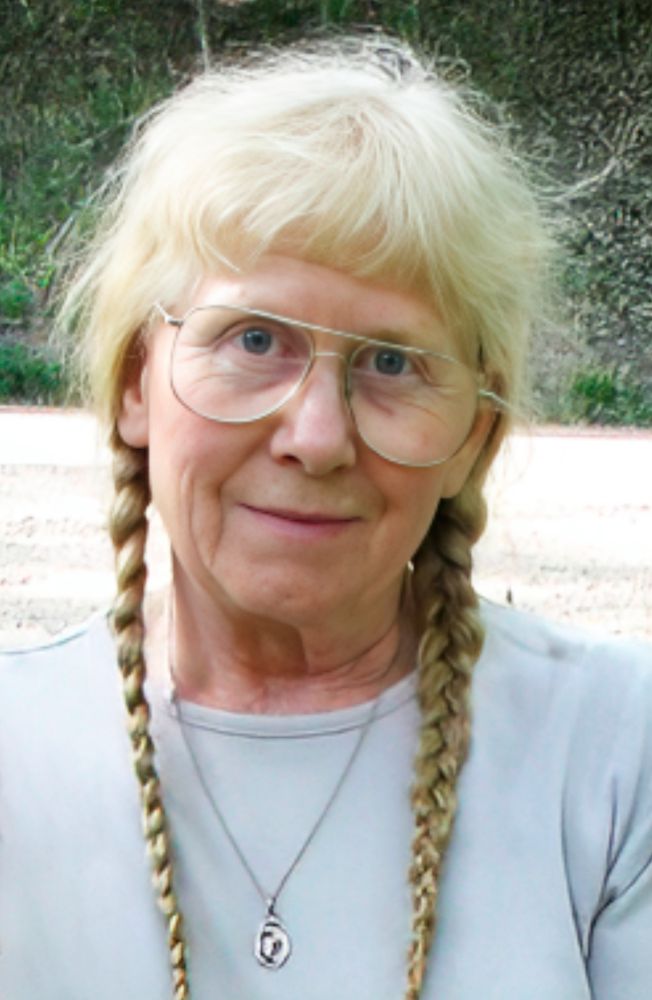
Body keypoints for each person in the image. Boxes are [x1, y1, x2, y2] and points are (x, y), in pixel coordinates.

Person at [1, 36, 651, 1000]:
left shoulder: (616, 754)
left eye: (392, 363)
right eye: (255, 339)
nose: (316, 435)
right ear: (139, 381)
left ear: (476, 429)